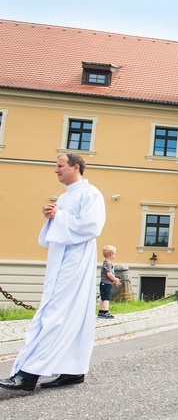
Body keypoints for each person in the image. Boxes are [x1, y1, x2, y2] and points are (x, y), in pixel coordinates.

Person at [1, 154, 105, 392]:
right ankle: (73, 369)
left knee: (54, 314)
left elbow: (92, 226)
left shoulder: (91, 194)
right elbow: (64, 226)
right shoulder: (66, 196)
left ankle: (28, 374)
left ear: (75, 167)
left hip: (75, 262)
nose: (56, 170)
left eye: (60, 166)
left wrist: (59, 216)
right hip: (62, 260)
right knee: (69, 315)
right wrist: (53, 216)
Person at [98, 245, 121, 319]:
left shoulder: (106, 262)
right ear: (111, 254)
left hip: (103, 283)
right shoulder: (108, 263)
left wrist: (114, 280)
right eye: (115, 253)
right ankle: (105, 312)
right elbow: (109, 274)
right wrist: (115, 280)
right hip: (107, 284)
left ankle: (101, 311)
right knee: (106, 298)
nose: (115, 255)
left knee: (103, 298)